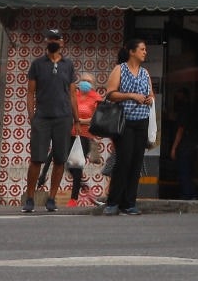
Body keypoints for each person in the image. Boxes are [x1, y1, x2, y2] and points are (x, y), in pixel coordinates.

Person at [23, 28, 78, 213]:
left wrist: (76, 119)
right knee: (36, 159)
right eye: (51, 38)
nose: (54, 41)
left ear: (62, 42)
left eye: (57, 38)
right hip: (42, 118)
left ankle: (52, 198)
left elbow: (72, 94)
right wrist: (32, 116)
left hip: (63, 118)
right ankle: (30, 198)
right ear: (46, 41)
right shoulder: (37, 64)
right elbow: (30, 92)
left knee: (60, 160)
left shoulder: (68, 65)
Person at [101, 38, 153, 216]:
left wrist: (148, 99)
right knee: (123, 161)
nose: (145, 52)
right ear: (132, 51)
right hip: (124, 122)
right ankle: (113, 201)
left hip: (142, 121)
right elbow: (110, 94)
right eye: (142, 49)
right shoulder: (120, 69)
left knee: (136, 163)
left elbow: (151, 94)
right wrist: (131, 96)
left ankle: (129, 203)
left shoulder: (145, 73)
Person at [65, 71, 102, 206]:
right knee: (67, 164)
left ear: (93, 84)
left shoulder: (96, 98)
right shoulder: (74, 95)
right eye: (83, 80)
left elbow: (96, 120)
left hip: (85, 136)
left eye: (88, 81)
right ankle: (85, 188)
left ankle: (73, 199)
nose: (85, 82)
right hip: (71, 134)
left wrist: (79, 120)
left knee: (77, 166)